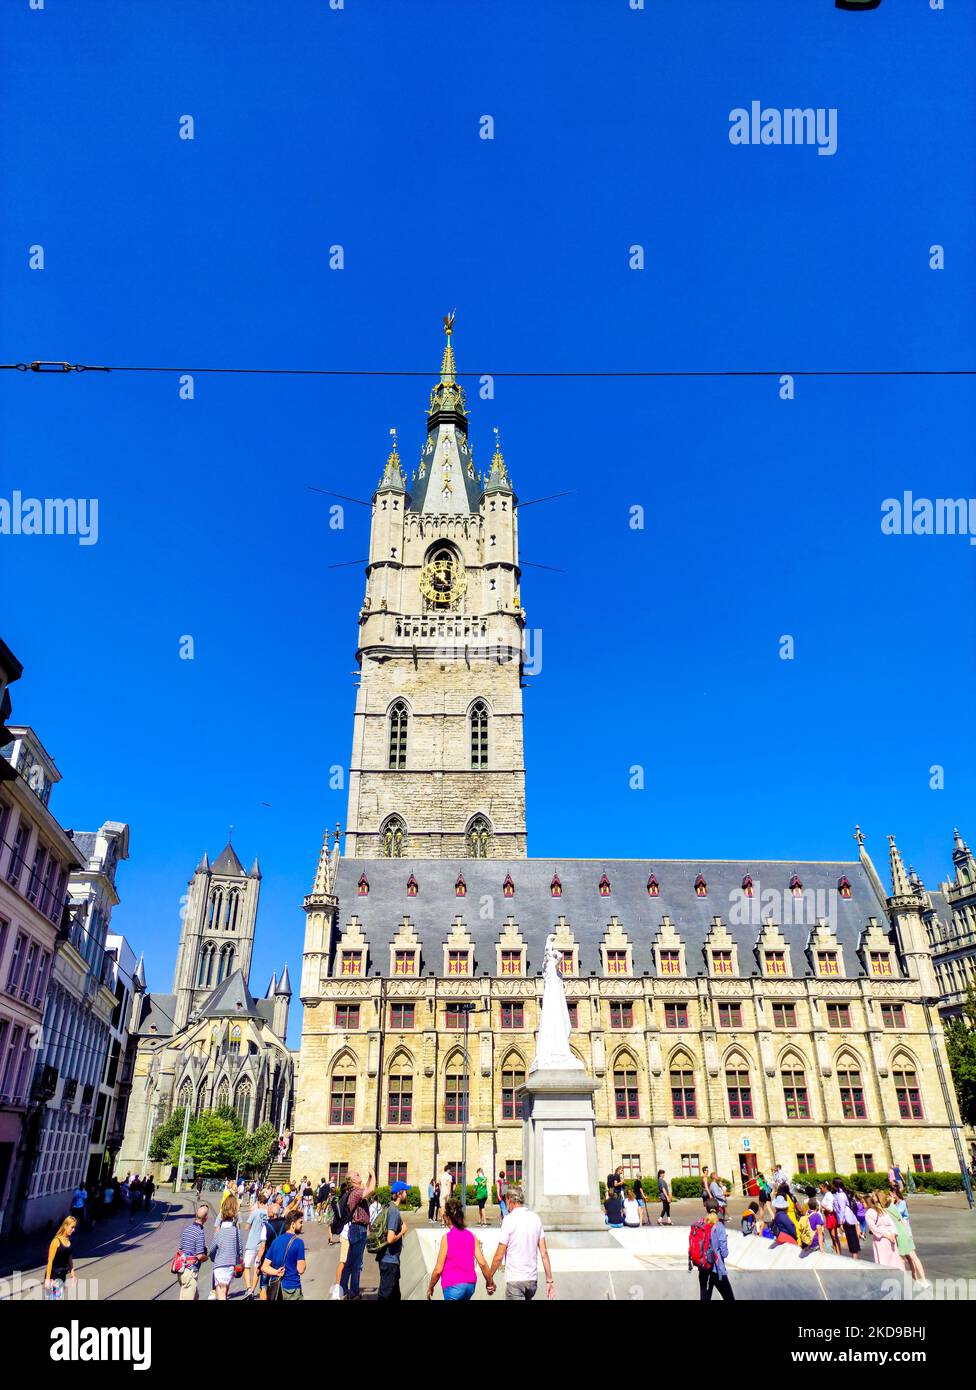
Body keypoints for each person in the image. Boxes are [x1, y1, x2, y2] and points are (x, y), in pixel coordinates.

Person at [487, 1185, 555, 1300]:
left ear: (509, 1199)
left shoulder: (509, 1220)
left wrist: (489, 1278)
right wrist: (549, 1280)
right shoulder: (535, 1218)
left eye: (505, 1200)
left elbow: (499, 1255)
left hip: (515, 1280)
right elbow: (544, 1253)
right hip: (532, 1280)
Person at [427, 1194, 496, 1300]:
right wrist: (490, 1282)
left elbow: (438, 1269)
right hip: (470, 1285)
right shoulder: (471, 1236)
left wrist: (430, 1287)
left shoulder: (447, 1238)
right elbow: (482, 1263)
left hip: (453, 1286)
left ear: (447, 1218)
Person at [340, 1166, 375, 1299]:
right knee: (357, 1264)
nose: (358, 1173)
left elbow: (366, 1188)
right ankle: (353, 1292)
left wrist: (370, 1177)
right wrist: (373, 1174)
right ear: (352, 1179)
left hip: (357, 1229)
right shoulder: (355, 1192)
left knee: (349, 1262)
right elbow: (371, 1189)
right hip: (358, 1229)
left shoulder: (356, 1191)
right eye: (356, 1174)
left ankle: (343, 1290)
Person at [882, 1190, 928, 1285]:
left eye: (891, 1194)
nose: (891, 1196)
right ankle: (916, 1278)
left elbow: (900, 1218)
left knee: (906, 1258)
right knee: (910, 1257)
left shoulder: (893, 1206)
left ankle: (920, 1279)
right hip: (903, 1232)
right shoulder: (892, 1206)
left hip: (902, 1234)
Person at [377, 1180, 411, 1300]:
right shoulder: (394, 1212)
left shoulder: (388, 1207)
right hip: (389, 1261)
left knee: (395, 1296)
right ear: (399, 1194)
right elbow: (390, 1239)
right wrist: (403, 1231)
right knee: (385, 1295)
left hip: (390, 1260)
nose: (407, 1194)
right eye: (405, 1191)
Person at [263, 1210, 306, 1300]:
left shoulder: (276, 1241)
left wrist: (276, 1272)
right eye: (300, 1222)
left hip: (277, 1288)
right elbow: (301, 1269)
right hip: (292, 1287)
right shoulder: (299, 1243)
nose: (302, 1225)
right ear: (293, 1224)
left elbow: (264, 1267)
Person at [209, 1194, 243, 1300]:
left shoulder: (219, 1232)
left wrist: (214, 1257)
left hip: (219, 1264)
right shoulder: (236, 1231)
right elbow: (240, 1249)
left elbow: (212, 1249)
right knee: (225, 1289)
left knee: (221, 1290)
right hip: (231, 1264)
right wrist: (239, 1259)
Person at [699, 1203, 734, 1301]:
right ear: (718, 1210)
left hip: (703, 1268)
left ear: (706, 1209)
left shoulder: (701, 1224)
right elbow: (724, 1253)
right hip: (716, 1269)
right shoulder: (719, 1226)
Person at [176, 1204, 210, 1300]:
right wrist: (206, 1257)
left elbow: (182, 1249)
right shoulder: (199, 1232)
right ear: (206, 1218)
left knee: (195, 1296)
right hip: (190, 1272)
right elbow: (199, 1256)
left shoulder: (187, 1229)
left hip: (182, 1270)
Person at [255, 1196, 286, 1300]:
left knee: (264, 1285)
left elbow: (262, 1246)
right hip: (280, 1258)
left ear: (272, 1213)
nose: (267, 1210)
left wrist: (258, 1261)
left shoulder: (266, 1226)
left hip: (267, 1258)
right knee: (278, 1282)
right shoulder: (284, 1224)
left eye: (269, 1209)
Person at [864, 1191, 902, 1269]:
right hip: (891, 1237)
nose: (862, 1205)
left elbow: (873, 1228)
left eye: (863, 1203)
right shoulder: (881, 1210)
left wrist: (886, 1235)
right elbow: (892, 1224)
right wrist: (893, 1234)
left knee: (883, 1260)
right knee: (894, 1260)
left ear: (867, 1203)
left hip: (881, 1239)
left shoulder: (869, 1213)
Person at [243, 1189, 269, 1299]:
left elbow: (246, 1227)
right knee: (257, 1268)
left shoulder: (255, 1212)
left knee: (247, 1267)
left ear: (258, 1202)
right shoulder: (268, 1213)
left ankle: (249, 1289)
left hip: (251, 1243)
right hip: (262, 1244)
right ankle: (253, 1289)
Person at [45, 1215, 77, 1300]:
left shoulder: (69, 1242)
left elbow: (69, 1260)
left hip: (62, 1276)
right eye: (72, 1227)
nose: (74, 1230)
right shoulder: (56, 1241)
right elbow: (50, 1261)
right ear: (66, 1226)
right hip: (53, 1276)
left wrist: (73, 1275)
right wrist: (48, 1279)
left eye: (74, 1228)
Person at [832, 1181, 861, 1259]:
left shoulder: (841, 1195)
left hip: (846, 1219)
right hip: (846, 1218)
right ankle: (855, 1256)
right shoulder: (840, 1194)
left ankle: (855, 1257)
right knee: (851, 1237)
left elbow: (842, 1209)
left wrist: (840, 1222)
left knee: (852, 1238)